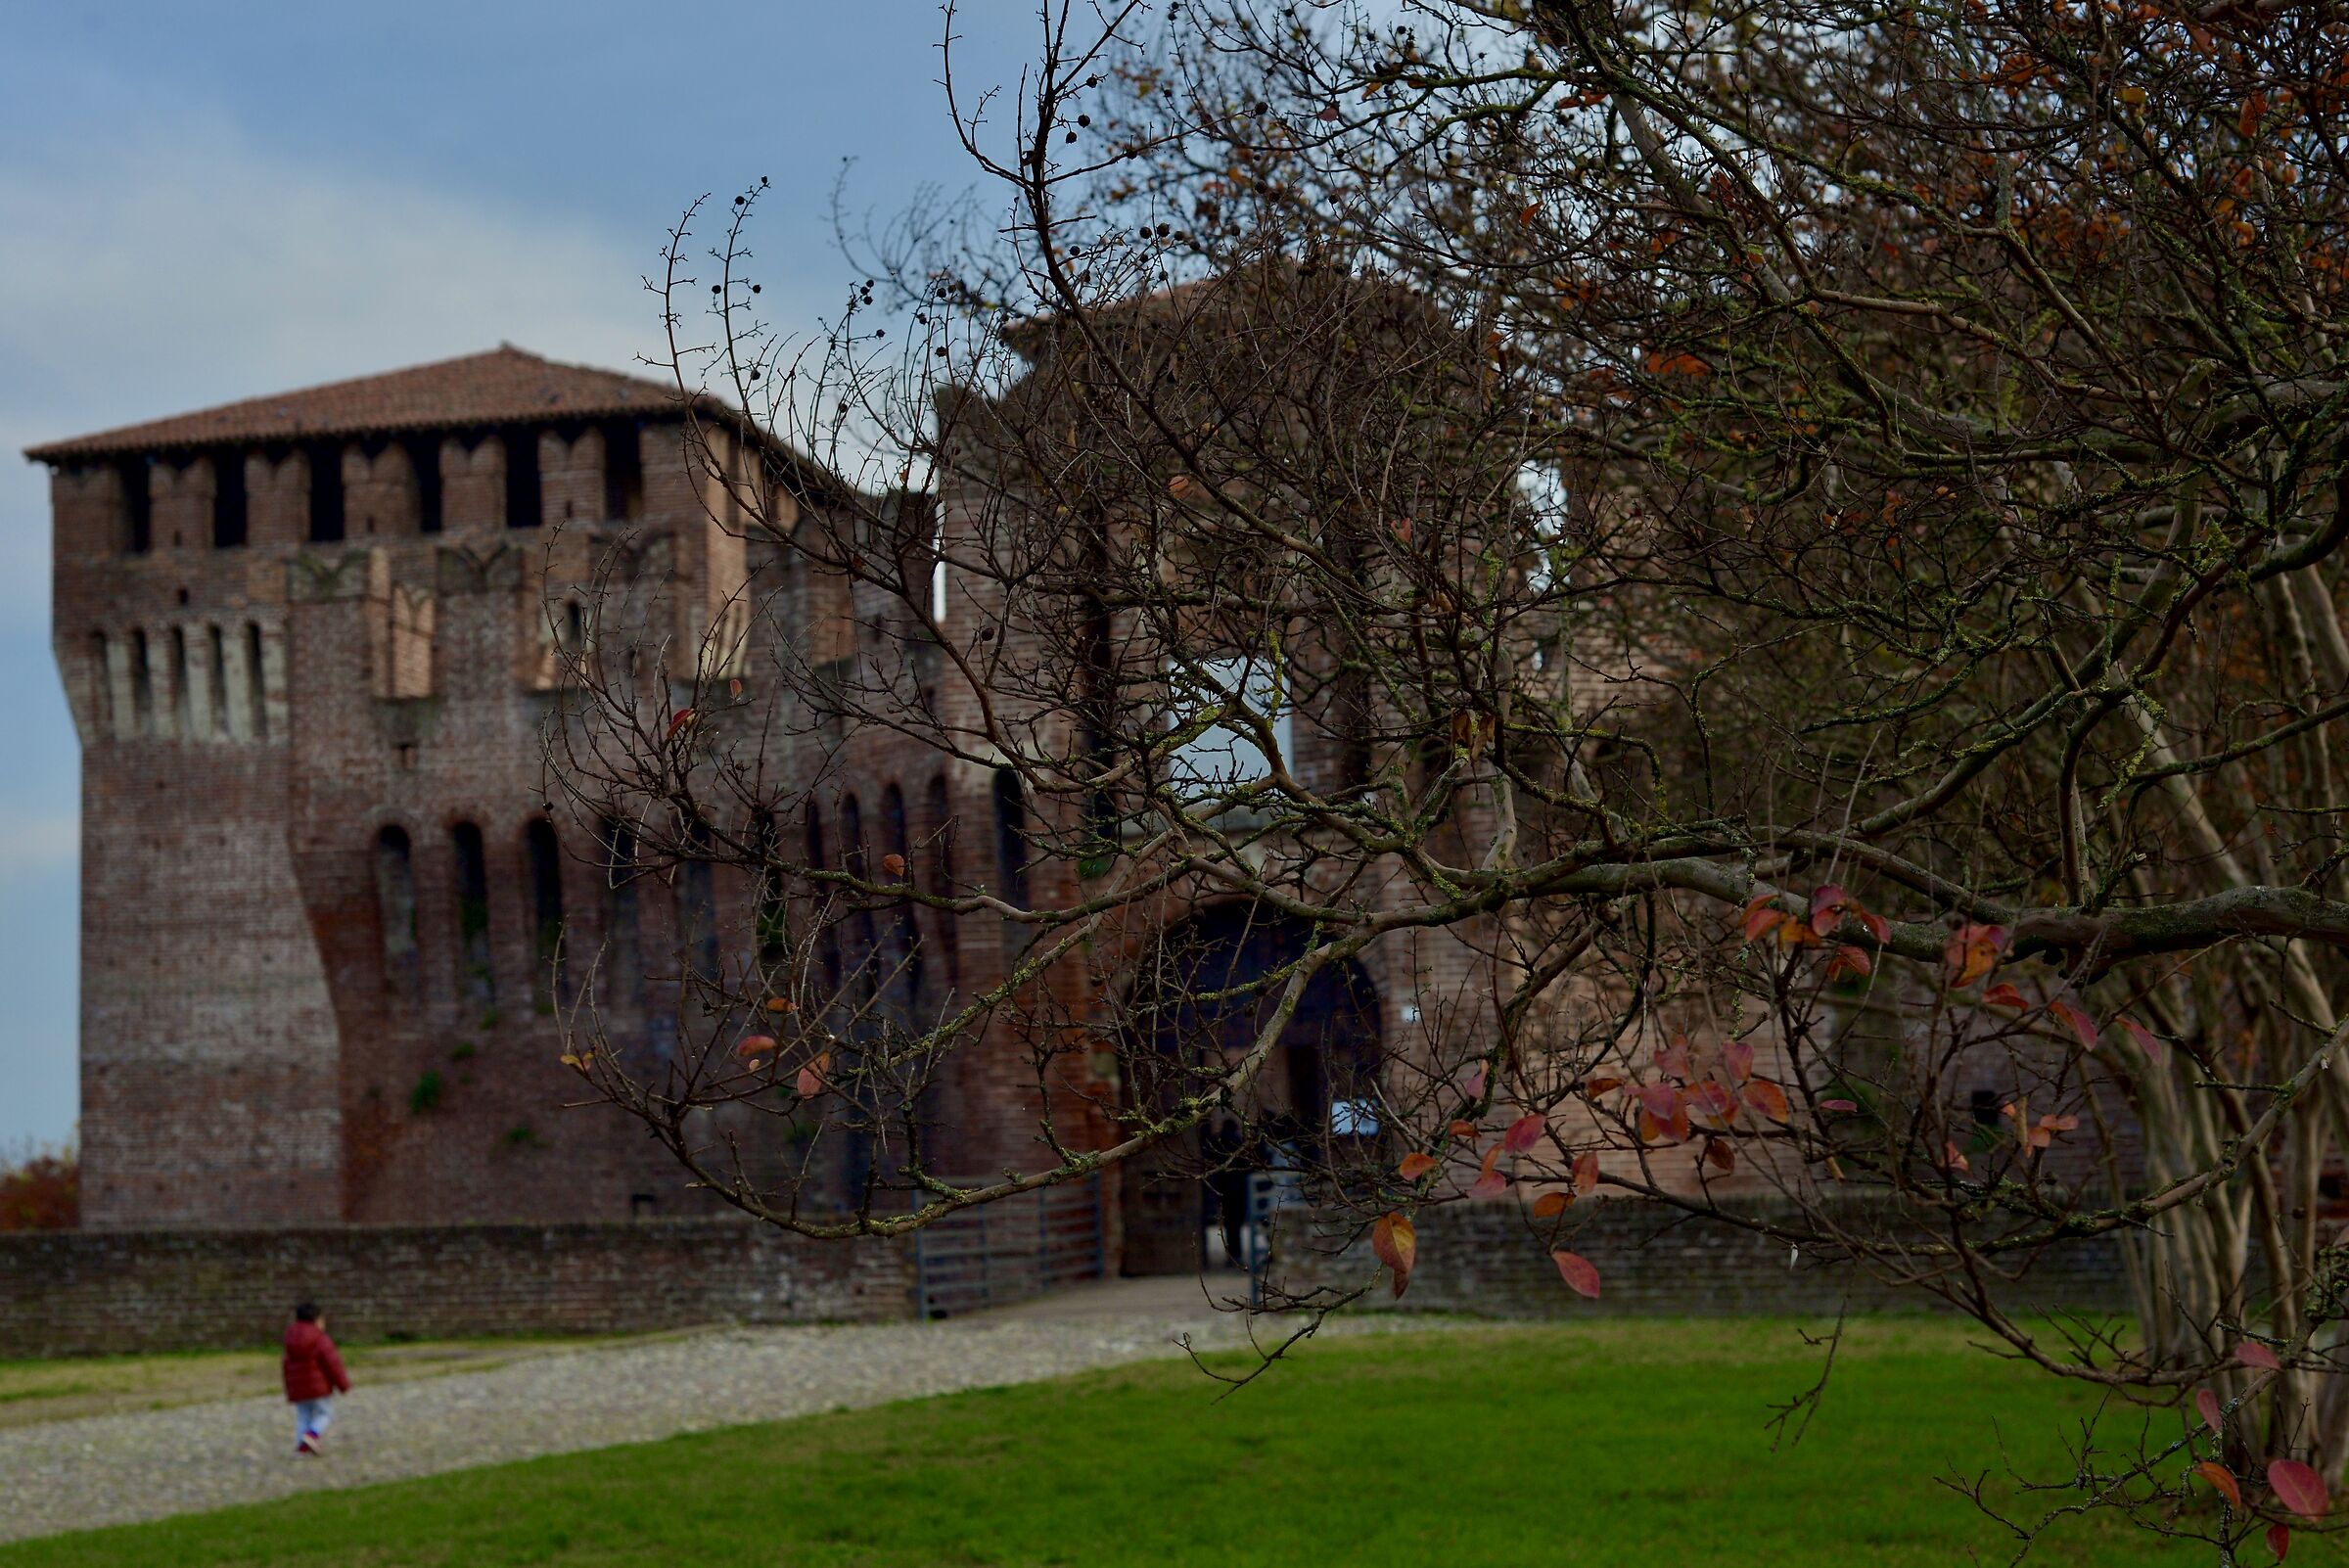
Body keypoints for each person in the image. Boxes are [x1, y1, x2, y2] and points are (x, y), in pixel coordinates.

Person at [281, 1302, 349, 1456]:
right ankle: (312, 1435)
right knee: (326, 1414)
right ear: (317, 1320)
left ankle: (301, 1448)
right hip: (318, 1386)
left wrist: (290, 1388)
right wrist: (342, 1384)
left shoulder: (290, 1339)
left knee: (303, 1416)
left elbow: (286, 1364)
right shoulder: (320, 1339)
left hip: (298, 1387)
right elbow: (333, 1363)